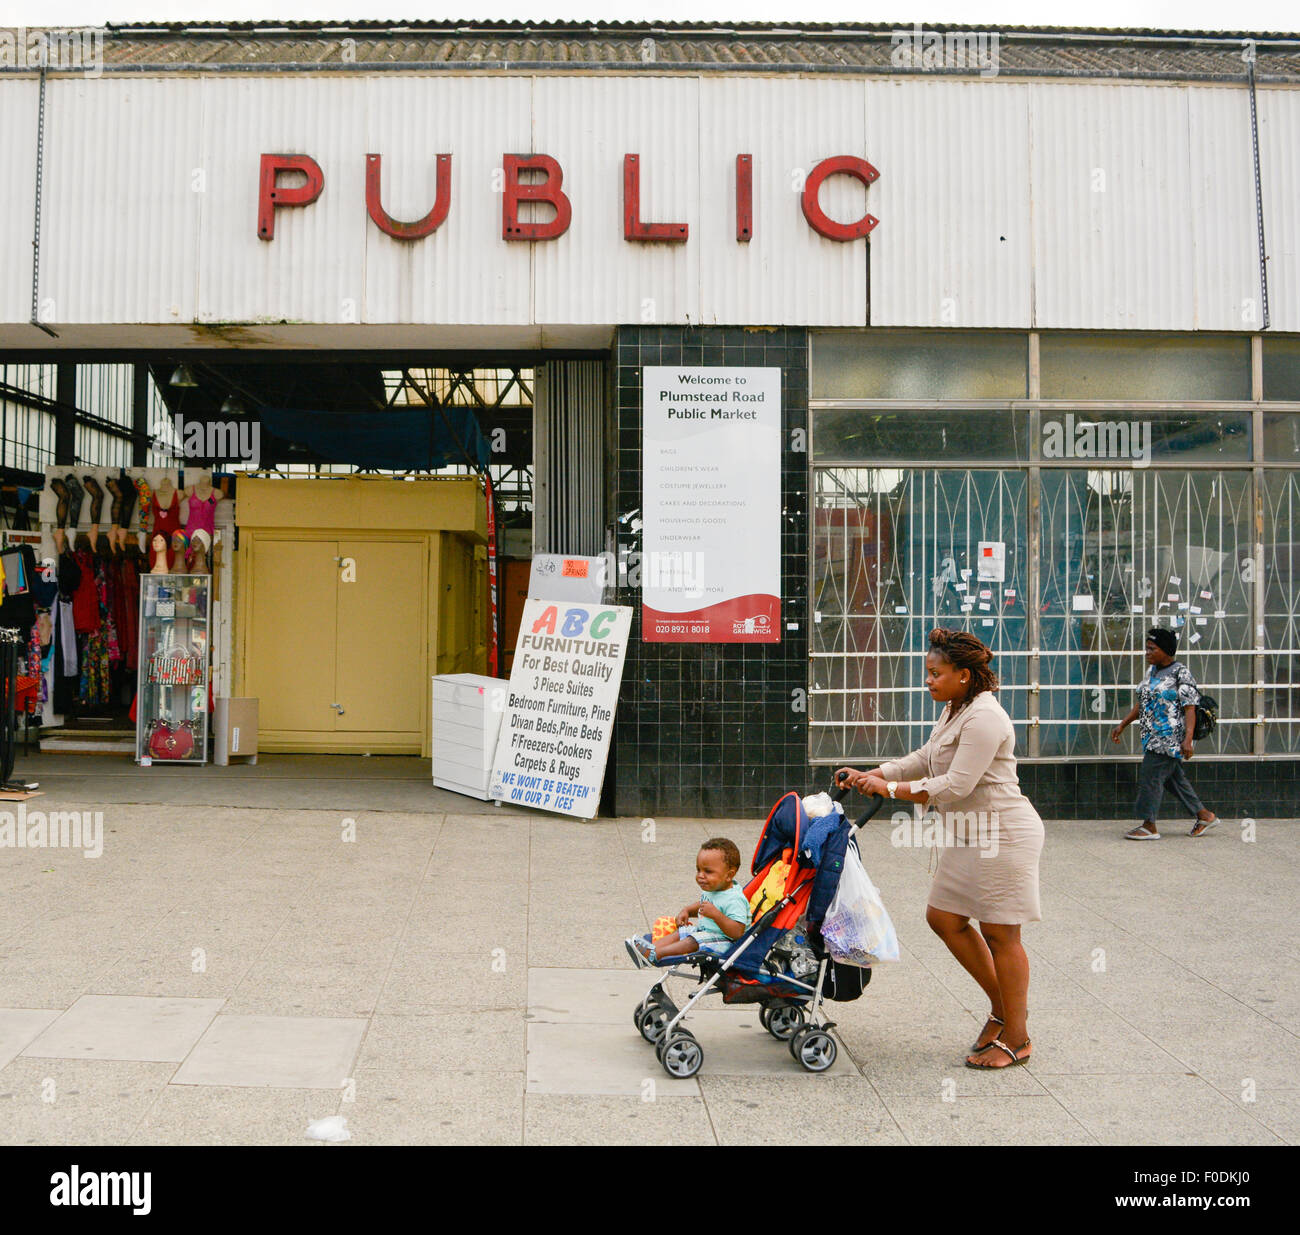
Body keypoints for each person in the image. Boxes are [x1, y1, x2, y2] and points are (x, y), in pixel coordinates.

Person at [837, 627, 1044, 1070]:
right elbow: (926, 757)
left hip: (1003, 833)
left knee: (1001, 933)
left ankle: (1018, 1037)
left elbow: (955, 784)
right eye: (928, 673)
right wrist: (871, 774)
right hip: (970, 830)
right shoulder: (956, 709)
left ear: (964, 675)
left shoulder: (986, 717)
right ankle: (1002, 1009)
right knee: (944, 918)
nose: (928, 681)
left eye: (936, 674)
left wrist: (889, 788)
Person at [1110, 626, 1217, 840]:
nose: (1147, 653)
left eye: (1152, 649)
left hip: (1169, 739)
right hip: (1152, 737)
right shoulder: (1153, 672)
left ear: (1166, 650)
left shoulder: (1181, 673)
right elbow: (1142, 704)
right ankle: (1204, 815)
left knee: (1151, 777)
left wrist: (1188, 740)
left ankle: (1149, 825)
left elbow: (1190, 708)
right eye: (1147, 649)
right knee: (1172, 779)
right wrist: (1123, 724)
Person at [626, 837, 751, 965]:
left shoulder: (734, 899)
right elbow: (702, 906)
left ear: (729, 875)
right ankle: (649, 949)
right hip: (707, 934)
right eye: (698, 870)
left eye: (708, 871)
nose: (700, 875)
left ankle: (656, 954)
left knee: (692, 941)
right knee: (681, 932)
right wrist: (687, 910)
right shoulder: (714, 888)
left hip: (728, 944)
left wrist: (716, 915)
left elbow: (737, 932)